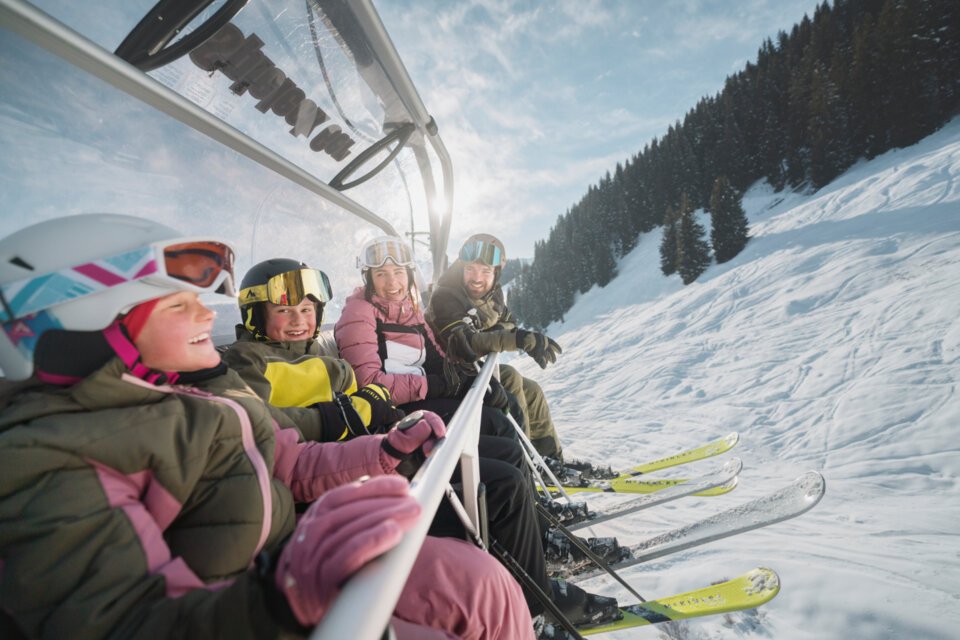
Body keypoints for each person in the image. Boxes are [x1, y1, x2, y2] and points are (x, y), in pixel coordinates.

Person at [0, 214, 533, 640]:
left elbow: (288, 458)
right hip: (254, 601)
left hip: (290, 553)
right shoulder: (47, 459)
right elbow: (126, 621)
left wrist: (387, 449)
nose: (207, 315)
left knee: (483, 585)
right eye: (179, 305)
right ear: (91, 324)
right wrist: (280, 594)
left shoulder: (200, 390)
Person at [223, 257, 622, 627]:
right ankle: (537, 608)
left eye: (307, 311)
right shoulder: (249, 363)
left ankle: (532, 554)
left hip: (371, 466)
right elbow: (258, 424)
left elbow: (370, 404)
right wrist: (334, 419)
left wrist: (397, 421)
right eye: (285, 311)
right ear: (257, 315)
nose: (299, 321)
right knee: (502, 485)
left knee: (500, 449)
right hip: (340, 494)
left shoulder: (327, 362)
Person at [426, 233, 565, 459]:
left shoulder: (493, 295)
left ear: (496, 273)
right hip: (448, 373)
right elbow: (464, 344)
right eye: (470, 269)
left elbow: (508, 321)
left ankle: (550, 459)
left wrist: (492, 334)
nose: (477, 278)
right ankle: (526, 461)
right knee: (509, 378)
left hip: (470, 368)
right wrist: (516, 339)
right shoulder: (445, 297)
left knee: (532, 391)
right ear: (461, 267)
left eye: (485, 271)